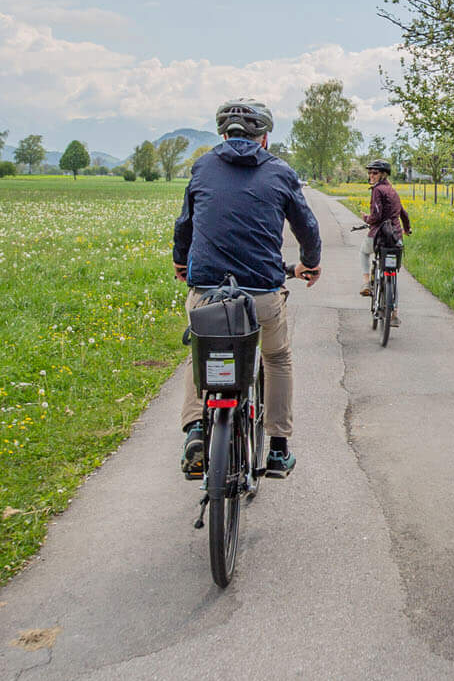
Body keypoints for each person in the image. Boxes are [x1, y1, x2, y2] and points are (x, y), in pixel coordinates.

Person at [172, 99, 321, 478]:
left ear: (224, 135)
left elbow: (185, 223)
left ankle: (195, 428)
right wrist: (310, 261)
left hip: (208, 293)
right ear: (264, 138)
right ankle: (278, 449)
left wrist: (180, 261)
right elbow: (307, 226)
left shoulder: (203, 166)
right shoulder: (280, 171)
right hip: (262, 294)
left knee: (200, 354)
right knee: (276, 358)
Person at [358, 158, 412, 323]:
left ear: (383, 175)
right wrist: (407, 228)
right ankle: (394, 312)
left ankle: (366, 283)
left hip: (379, 235)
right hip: (395, 237)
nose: (371, 175)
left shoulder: (377, 190)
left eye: (375, 173)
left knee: (364, 252)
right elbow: (403, 213)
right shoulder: (392, 191)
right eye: (370, 172)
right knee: (392, 272)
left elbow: (376, 215)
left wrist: (366, 218)